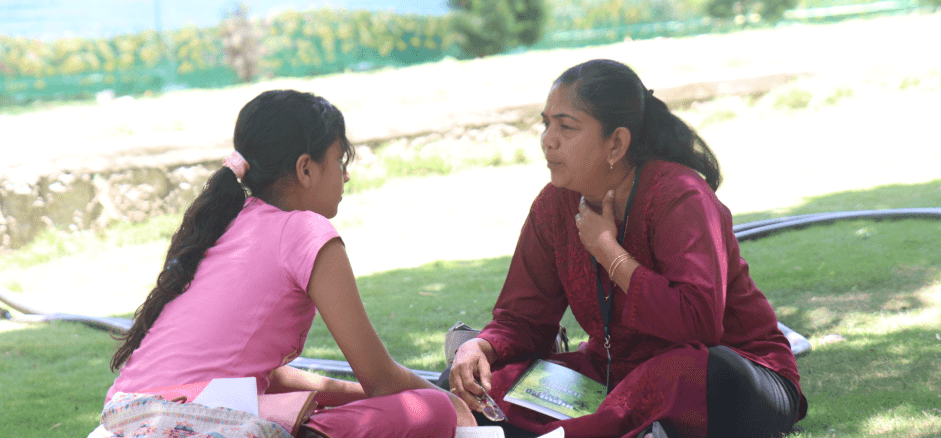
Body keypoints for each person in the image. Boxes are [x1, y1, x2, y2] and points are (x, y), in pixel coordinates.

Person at [447, 60, 807, 438]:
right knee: (478, 385)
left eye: (566, 126)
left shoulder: (681, 197)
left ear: (616, 142)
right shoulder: (554, 205)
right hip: (612, 377)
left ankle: (574, 432)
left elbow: (698, 324)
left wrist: (608, 251)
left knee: (685, 372)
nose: (547, 139)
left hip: (725, 377)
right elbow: (523, 318)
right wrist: (481, 347)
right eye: (546, 123)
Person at [104, 89, 474, 437]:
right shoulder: (305, 230)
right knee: (429, 409)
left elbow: (268, 377)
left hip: (125, 418)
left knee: (302, 405)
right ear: (306, 169)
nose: (346, 176)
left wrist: (357, 395)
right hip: (182, 423)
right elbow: (380, 378)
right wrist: (449, 400)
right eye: (340, 160)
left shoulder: (231, 221)